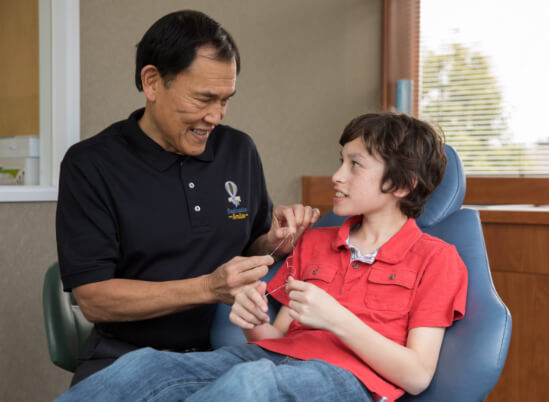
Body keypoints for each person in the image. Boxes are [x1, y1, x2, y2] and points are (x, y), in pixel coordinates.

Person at [54, 112, 468, 402]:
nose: (337, 176)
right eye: (339, 160)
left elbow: (416, 376)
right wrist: (254, 322)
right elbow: (279, 340)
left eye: (355, 165)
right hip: (271, 359)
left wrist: (337, 319)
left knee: (250, 386)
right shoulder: (315, 243)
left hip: (351, 380)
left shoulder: (437, 259)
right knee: (144, 367)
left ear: (402, 185)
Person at [55, 9, 319, 386]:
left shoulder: (238, 150)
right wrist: (208, 287)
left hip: (226, 355)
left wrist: (275, 241)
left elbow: (255, 241)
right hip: (127, 355)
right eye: (203, 99)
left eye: (226, 100)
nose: (215, 116)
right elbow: (94, 298)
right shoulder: (91, 165)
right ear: (152, 82)